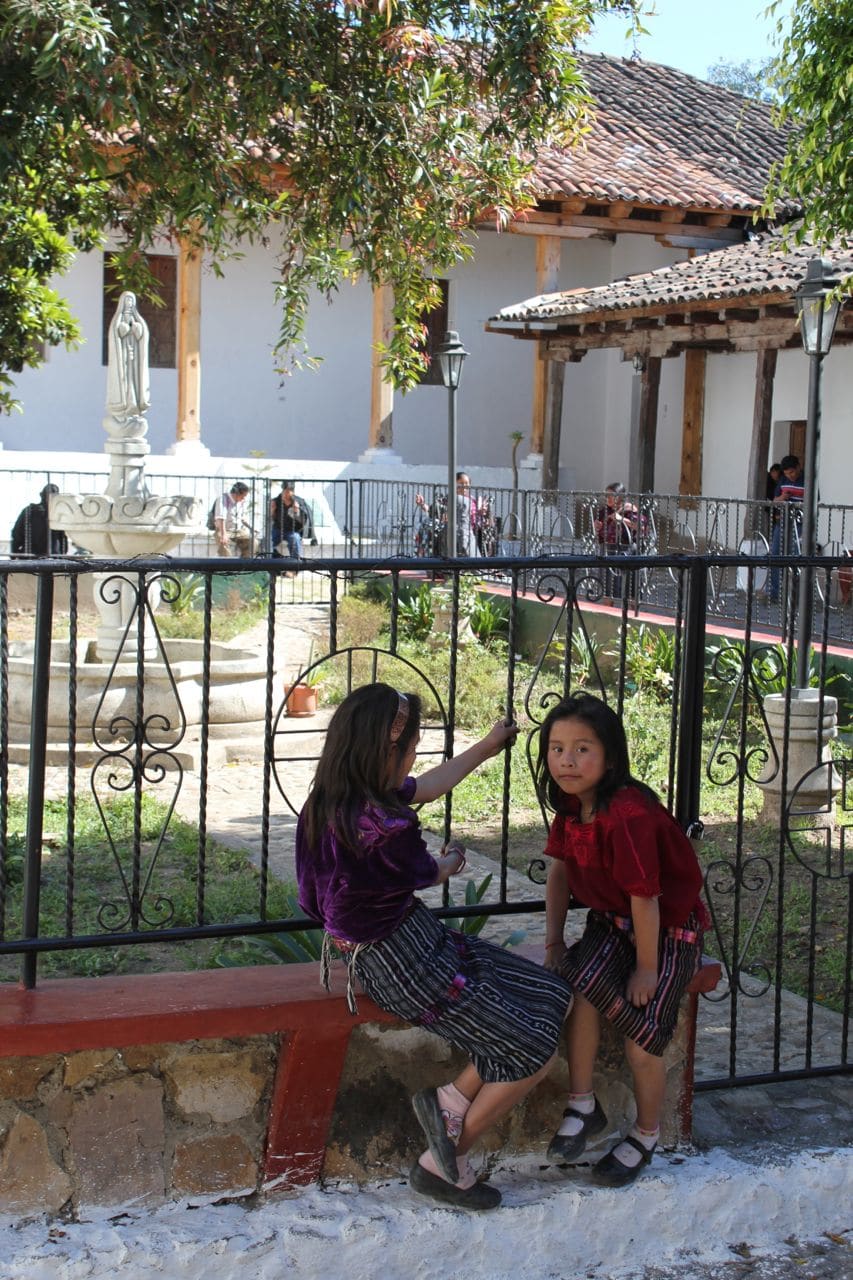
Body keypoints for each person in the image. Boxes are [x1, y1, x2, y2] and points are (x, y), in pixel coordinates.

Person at [296, 683, 573, 1211]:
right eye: (410, 749)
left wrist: (486, 746)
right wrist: (451, 862)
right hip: (404, 965)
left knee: (550, 994)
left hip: (417, 941)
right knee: (533, 1049)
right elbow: (428, 871)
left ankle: (450, 1100)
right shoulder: (384, 827)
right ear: (384, 752)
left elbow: (425, 787)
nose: (413, 759)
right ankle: (442, 1166)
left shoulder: (337, 799)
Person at [536, 693, 708, 1187]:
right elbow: (559, 874)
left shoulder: (628, 815)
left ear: (610, 757)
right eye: (557, 748)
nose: (567, 761)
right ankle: (583, 1103)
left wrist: (647, 969)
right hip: (613, 921)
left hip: (667, 929)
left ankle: (647, 1133)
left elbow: (646, 899)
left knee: (642, 1040)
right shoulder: (572, 806)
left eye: (582, 749)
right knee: (581, 988)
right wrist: (554, 942)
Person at [593, 482, 643, 604]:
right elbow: (599, 530)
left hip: (626, 551)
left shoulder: (630, 510)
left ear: (620, 496)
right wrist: (597, 526)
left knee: (629, 586)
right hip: (608, 550)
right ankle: (608, 608)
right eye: (606, 496)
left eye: (611, 495)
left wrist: (622, 519)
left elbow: (641, 527)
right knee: (608, 587)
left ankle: (631, 609)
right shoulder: (604, 511)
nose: (608, 498)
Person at [768, 455, 805, 602]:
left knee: (797, 556)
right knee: (775, 554)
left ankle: (796, 596)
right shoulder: (783, 481)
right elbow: (775, 500)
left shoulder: (807, 479)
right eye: (787, 473)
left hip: (800, 523)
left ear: (798, 467)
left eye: (792, 472)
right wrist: (782, 498)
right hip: (782, 522)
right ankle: (776, 593)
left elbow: (815, 500)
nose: (790, 476)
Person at [11, 484, 69, 557]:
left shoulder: (29, 511)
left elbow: (17, 534)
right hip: (51, 556)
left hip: (32, 556)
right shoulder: (58, 513)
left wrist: (14, 553)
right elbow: (63, 539)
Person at [270, 480, 315, 562]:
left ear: (293, 492)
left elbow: (304, 521)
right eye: (285, 490)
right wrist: (272, 511)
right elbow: (271, 519)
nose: (287, 493)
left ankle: (295, 564)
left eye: (289, 491)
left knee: (295, 538)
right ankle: (271, 564)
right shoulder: (276, 501)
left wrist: (296, 511)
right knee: (269, 540)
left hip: (292, 530)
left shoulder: (299, 502)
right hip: (278, 529)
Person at [213, 482, 257, 558]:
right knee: (223, 542)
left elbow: (243, 518)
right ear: (236, 493)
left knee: (253, 542)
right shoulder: (223, 499)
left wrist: (252, 528)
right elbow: (221, 518)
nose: (244, 498)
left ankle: (245, 562)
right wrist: (223, 534)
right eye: (243, 496)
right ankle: (227, 563)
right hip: (224, 530)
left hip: (238, 531)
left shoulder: (241, 502)